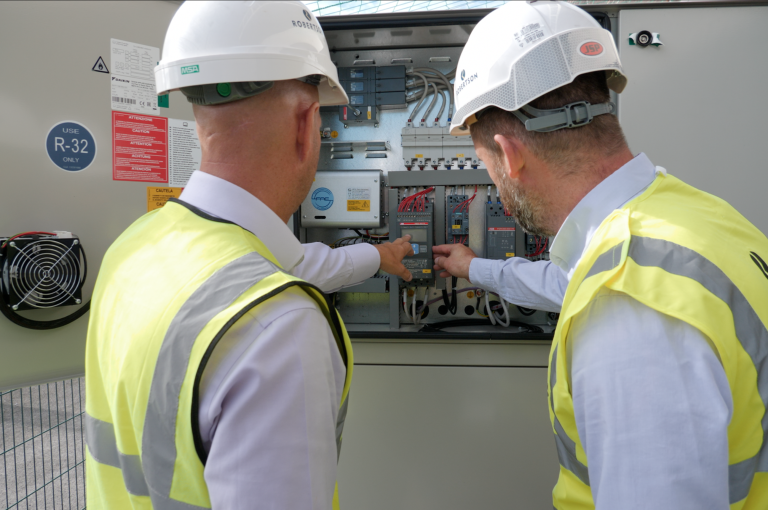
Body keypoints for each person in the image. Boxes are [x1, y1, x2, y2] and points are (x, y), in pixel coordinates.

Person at [433, 2, 768, 509]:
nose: (494, 188)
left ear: (510, 154)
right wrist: (473, 268)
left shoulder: (626, 308)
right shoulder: (690, 219)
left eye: (486, 167)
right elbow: (569, 280)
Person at [84, 2, 412, 509]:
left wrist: (377, 256)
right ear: (307, 125)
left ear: (199, 118)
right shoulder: (278, 327)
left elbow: (294, 263)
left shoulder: (131, 247)